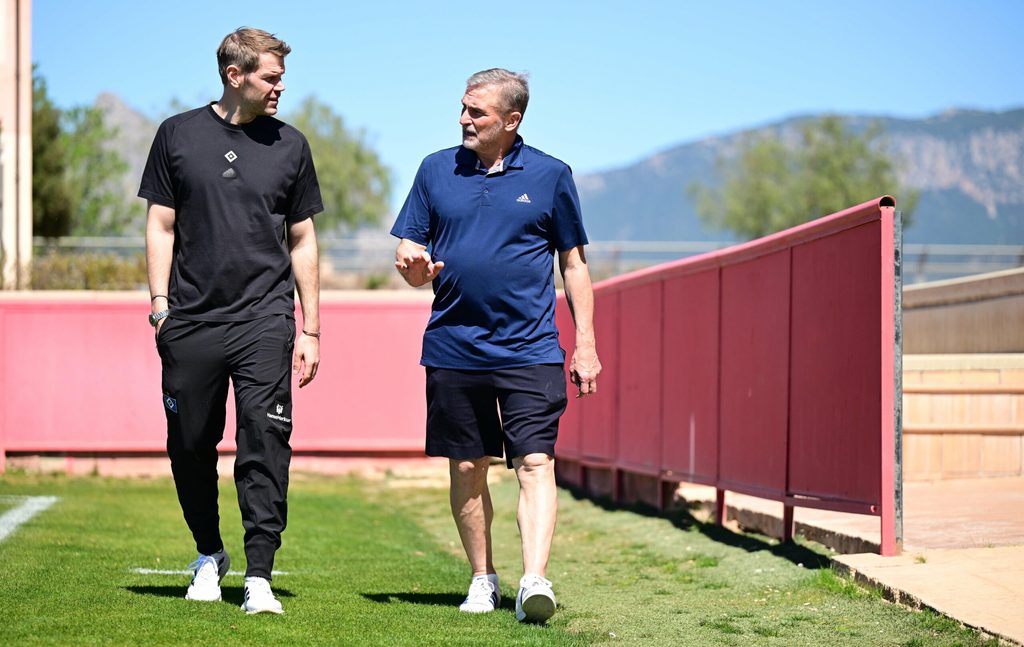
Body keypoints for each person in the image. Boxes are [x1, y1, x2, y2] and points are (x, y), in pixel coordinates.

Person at [391, 68, 601, 623]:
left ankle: (534, 581)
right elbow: (411, 252)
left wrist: (585, 344)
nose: (463, 119)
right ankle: (482, 579)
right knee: (467, 466)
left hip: (531, 348)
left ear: (512, 120)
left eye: (476, 112)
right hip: (453, 347)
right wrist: (413, 269)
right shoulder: (434, 169)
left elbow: (574, 263)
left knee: (535, 460)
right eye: (463, 108)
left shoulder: (552, 175)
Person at [139, 27, 322, 615]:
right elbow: (160, 225)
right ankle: (209, 554)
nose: (280, 87)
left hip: (265, 318)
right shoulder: (177, 135)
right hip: (190, 320)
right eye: (271, 77)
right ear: (234, 75)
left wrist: (311, 328)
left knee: (264, 442)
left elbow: (303, 239)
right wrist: (161, 307)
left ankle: (259, 574)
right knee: (189, 443)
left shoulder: (291, 145)